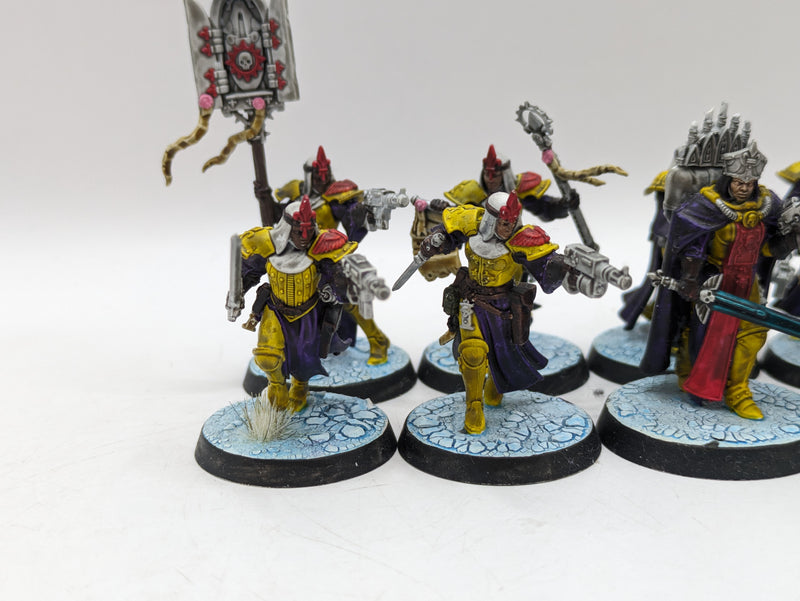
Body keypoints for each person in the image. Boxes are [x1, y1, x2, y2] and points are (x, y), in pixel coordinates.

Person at [641, 143, 797, 419]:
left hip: (747, 282)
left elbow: (769, 248)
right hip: (714, 281)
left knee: (752, 335)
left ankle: (738, 391)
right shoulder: (706, 206)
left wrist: (792, 237)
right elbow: (691, 244)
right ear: (728, 180)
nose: (744, 188)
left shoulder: (767, 204)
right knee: (702, 332)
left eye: (749, 183)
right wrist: (690, 278)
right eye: (738, 182)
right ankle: (689, 373)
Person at [414, 191, 571, 434]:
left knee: (503, 356)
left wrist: (566, 269)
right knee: (473, 353)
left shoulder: (520, 240)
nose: (509, 227)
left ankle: (495, 386)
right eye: (504, 222)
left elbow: (546, 264)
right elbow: (450, 234)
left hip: (502, 309)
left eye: (512, 222)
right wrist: (437, 238)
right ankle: (473, 407)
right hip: (470, 303)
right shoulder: (472, 224)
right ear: (490, 219)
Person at [238, 196, 381, 411]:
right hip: (275, 310)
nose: (304, 237)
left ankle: (299, 387)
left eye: (309, 230)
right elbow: (250, 273)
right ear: (286, 229)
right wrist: (239, 292)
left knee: (303, 358)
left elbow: (335, 276)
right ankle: (276, 385)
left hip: (308, 315)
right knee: (267, 355)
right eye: (298, 232)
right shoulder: (267, 247)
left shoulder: (321, 248)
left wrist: (335, 287)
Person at [411, 145, 577, 281]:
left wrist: (562, 205)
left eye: (495, 175)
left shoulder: (517, 193)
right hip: (481, 245)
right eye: (487, 174)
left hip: (511, 244)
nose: (490, 179)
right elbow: (460, 219)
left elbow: (542, 207)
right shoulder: (473, 194)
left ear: (505, 174)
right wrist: (446, 213)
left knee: (519, 275)